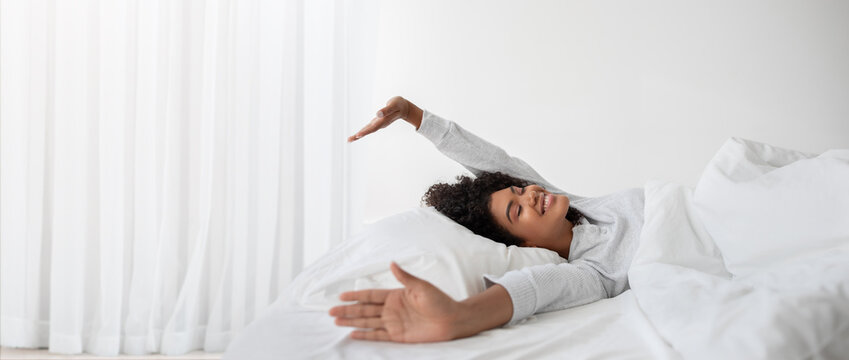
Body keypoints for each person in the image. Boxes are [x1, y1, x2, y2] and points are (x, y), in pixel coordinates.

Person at [329, 96, 645, 343]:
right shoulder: (592, 273)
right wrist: (458, 317)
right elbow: (533, 289)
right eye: (517, 210)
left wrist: (412, 113)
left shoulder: (579, 207)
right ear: (527, 244)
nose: (530, 195)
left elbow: (496, 162)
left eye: (520, 190)